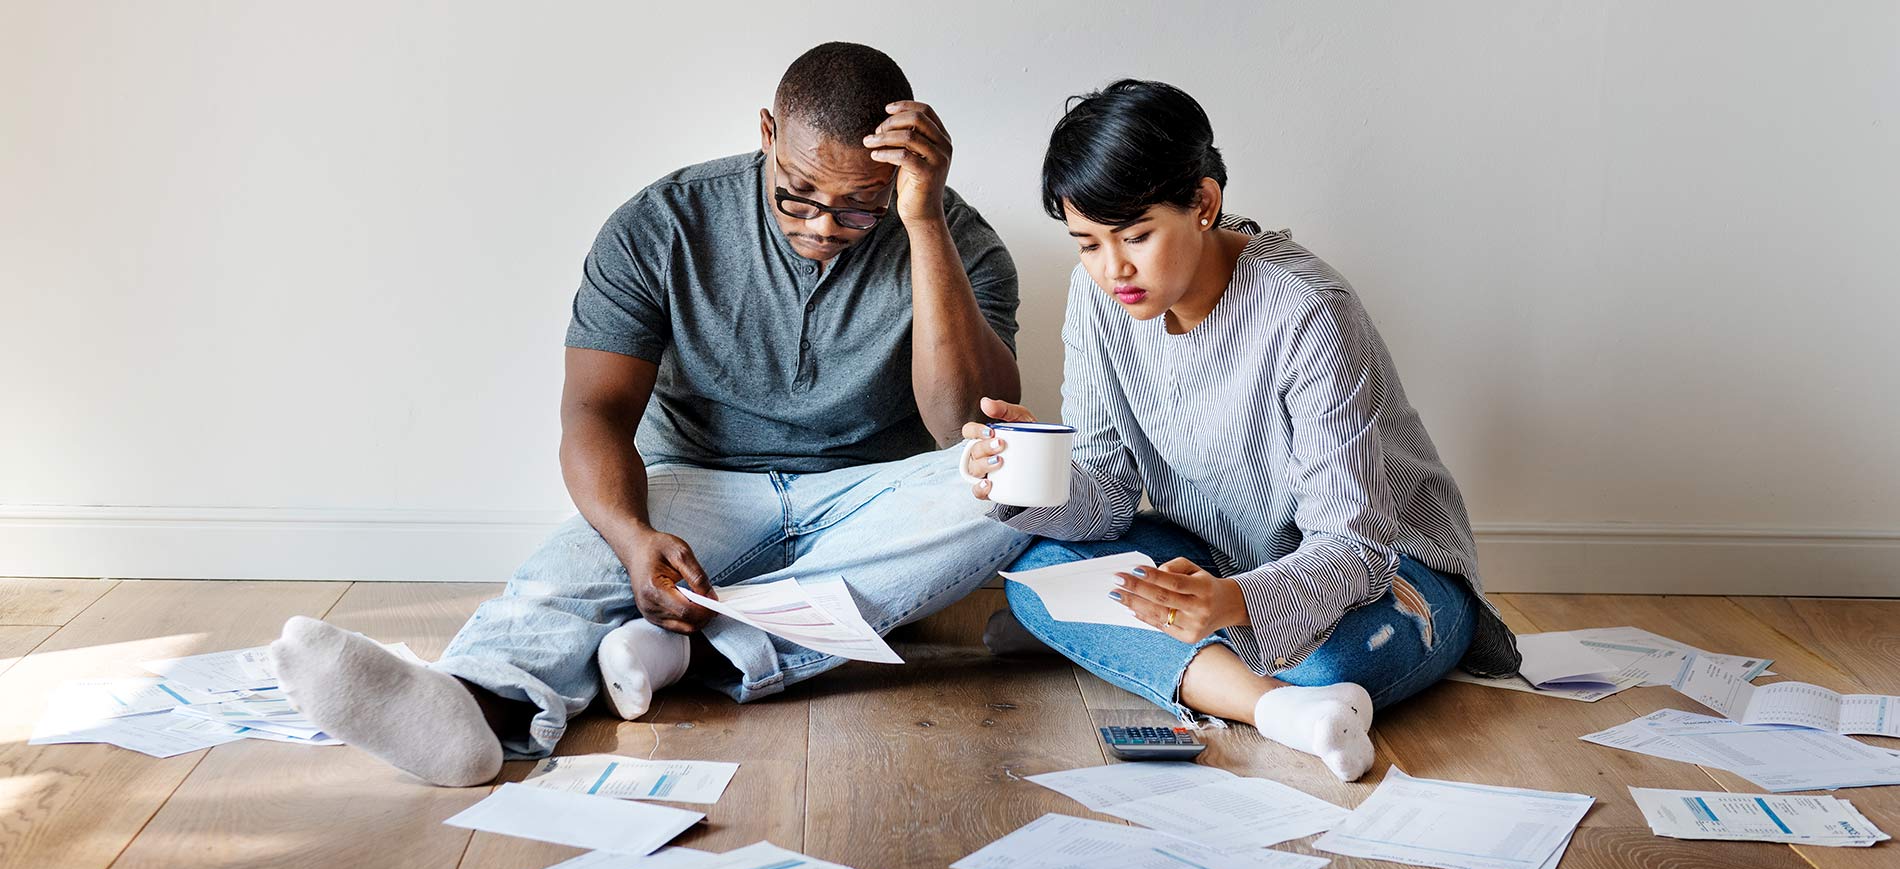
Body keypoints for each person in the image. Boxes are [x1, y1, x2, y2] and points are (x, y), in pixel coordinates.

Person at [269, 42, 1032, 787]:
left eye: (860, 208)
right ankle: (472, 702)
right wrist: (633, 537)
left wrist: (921, 224)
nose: (823, 227)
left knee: (1013, 485)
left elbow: (961, 424)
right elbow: (593, 412)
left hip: (870, 498)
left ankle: (698, 654)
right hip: (699, 485)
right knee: (577, 561)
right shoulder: (664, 223)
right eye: (797, 192)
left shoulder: (957, 239)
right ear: (766, 135)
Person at [964, 79, 1521, 782]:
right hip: (1225, 557)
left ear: (1203, 203)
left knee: (1329, 661)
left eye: (1136, 236)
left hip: (1390, 573)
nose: (1114, 270)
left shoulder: (1306, 311)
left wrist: (1232, 602)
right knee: (1037, 572)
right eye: (1087, 244)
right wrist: (1016, 476)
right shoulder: (1099, 298)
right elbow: (1106, 498)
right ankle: (1279, 710)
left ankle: (1187, 665)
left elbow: (1355, 545)